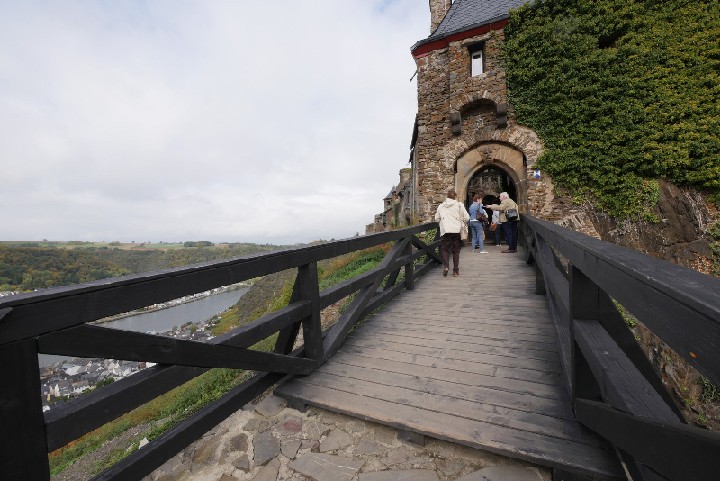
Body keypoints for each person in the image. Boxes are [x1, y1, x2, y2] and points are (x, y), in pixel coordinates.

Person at [435, 188, 470, 277]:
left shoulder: (441, 206)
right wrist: (459, 220)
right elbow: (467, 218)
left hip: (446, 230)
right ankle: (455, 271)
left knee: (444, 249)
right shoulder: (459, 205)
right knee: (456, 251)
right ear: (455, 197)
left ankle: (446, 266)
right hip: (456, 230)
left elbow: (437, 219)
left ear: (447, 197)